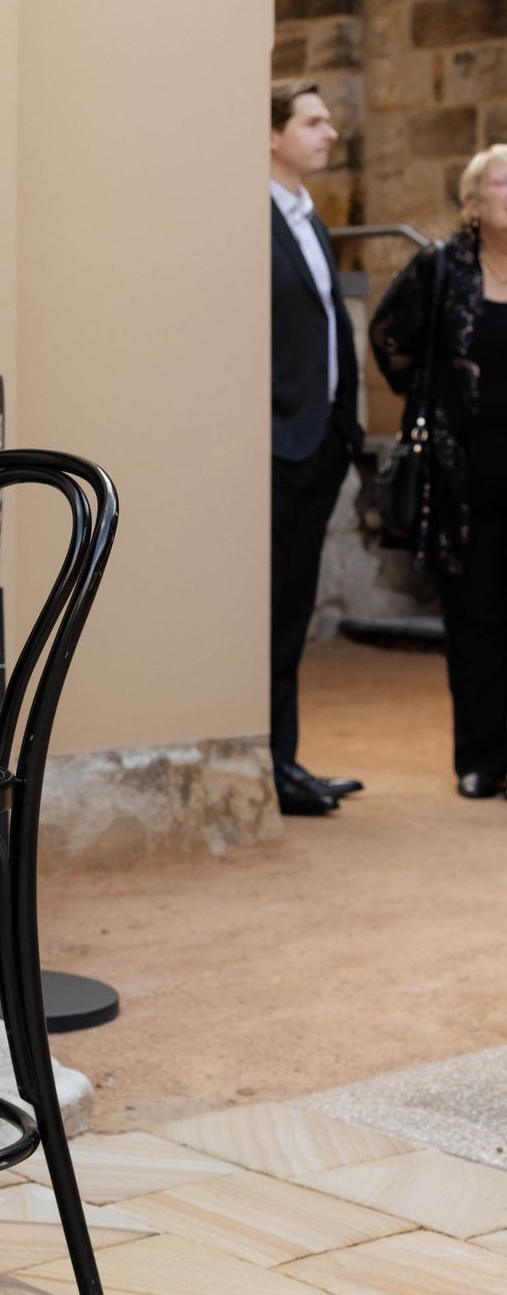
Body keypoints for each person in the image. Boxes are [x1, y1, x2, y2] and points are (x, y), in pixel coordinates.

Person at [370, 141, 507, 799]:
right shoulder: (443, 267)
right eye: (505, 182)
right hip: (466, 475)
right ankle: (480, 757)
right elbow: (388, 335)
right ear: (473, 202)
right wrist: (426, 397)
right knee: (475, 617)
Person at [270, 79, 364, 816]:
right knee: (272, 613)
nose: (330, 132)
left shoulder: (312, 219)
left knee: (295, 610)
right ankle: (272, 765)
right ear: (273, 134)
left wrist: (344, 429)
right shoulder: (254, 217)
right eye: (314, 121)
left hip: (323, 442)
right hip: (280, 446)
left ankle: (286, 761)